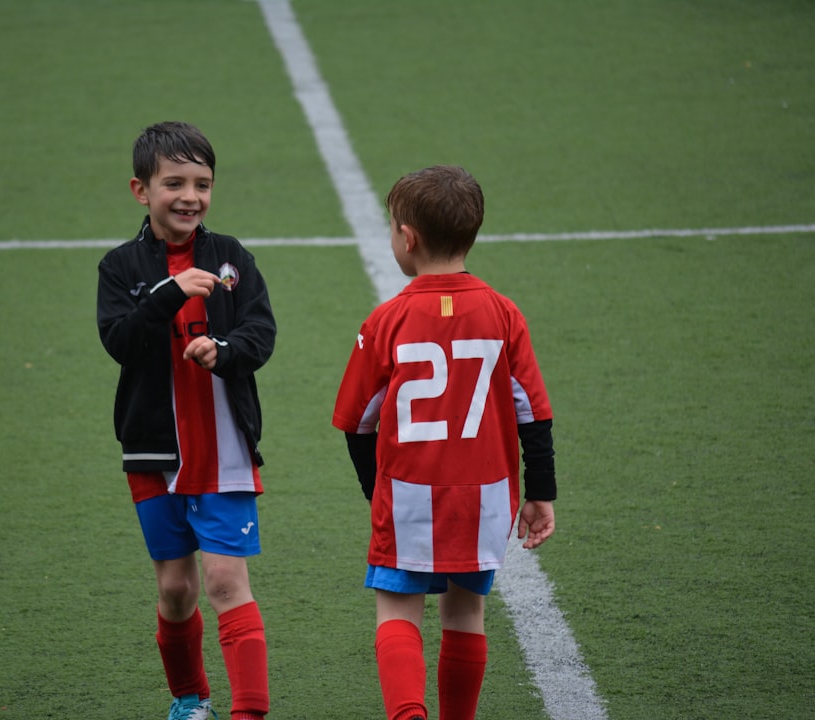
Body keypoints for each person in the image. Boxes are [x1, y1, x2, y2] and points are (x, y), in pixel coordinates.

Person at [331, 165, 557, 720]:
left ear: (407, 238)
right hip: (485, 494)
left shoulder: (388, 319)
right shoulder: (504, 313)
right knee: (465, 612)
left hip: (410, 492)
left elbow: (357, 421)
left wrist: (374, 492)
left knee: (398, 610)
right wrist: (541, 491)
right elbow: (534, 413)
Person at [97, 121, 276, 720]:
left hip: (223, 450)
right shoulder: (120, 267)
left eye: (202, 183)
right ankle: (189, 700)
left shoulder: (231, 257)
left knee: (226, 584)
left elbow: (260, 333)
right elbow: (121, 341)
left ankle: (248, 712)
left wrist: (223, 353)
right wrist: (169, 294)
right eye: (174, 182)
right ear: (140, 190)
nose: (190, 196)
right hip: (153, 453)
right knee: (176, 589)